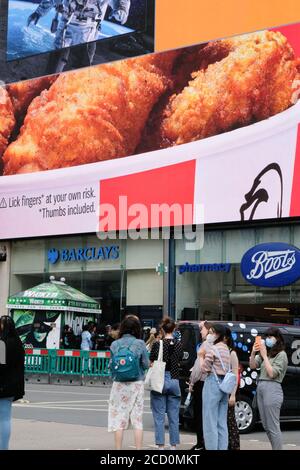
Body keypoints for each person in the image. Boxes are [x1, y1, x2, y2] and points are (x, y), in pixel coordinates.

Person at [27, 0, 131, 72]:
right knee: (54, 67)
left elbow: (122, 4)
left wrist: (121, 12)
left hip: (88, 31)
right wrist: (38, 13)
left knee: (80, 70)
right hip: (66, 27)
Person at [108, 315, 149, 450]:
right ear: (137, 328)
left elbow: (110, 365)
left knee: (118, 419)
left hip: (119, 384)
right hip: (136, 383)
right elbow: (145, 364)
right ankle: (138, 449)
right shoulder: (140, 343)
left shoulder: (115, 344)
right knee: (137, 420)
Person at [250, 327, 288, 450]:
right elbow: (253, 365)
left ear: (277, 339)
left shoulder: (281, 355)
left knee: (273, 426)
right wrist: (253, 352)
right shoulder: (267, 352)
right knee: (266, 426)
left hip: (272, 387)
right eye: (267, 337)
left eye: (271, 337)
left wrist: (265, 356)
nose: (268, 339)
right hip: (261, 387)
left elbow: (272, 374)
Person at [150, 317, 183, 450]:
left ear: (162, 330)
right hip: (174, 379)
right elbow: (180, 359)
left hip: (160, 379)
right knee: (174, 416)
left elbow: (151, 361)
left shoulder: (158, 344)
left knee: (159, 415)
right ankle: (173, 445)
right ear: (174, 329)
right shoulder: (179, 344)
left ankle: (160, 446)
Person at [200, 323, 231, 450]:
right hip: (224, 386)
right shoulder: (226, 349)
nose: (209, 335)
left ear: (218, 334)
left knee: (210, 421)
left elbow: (204, 369)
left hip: (212, 383)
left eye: (212, 332)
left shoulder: (213, 349)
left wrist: (200, 356)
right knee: (221, 422)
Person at [0, 316, 25, 450]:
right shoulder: (18, 343)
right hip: (12, 386)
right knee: (5, 418)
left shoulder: (2, 344)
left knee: (2, 419)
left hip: (2, 385)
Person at [188, 320, 212, 450]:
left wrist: (192, 382)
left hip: (201, 383)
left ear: (208, 330)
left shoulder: (205, 345)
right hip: (210, 383)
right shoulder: (217, 344)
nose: (200, 331)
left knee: (200, 415)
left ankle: (201, 443)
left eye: (202, 328)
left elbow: (198, 368)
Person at [224, 326, 240, 450]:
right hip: (219, 391)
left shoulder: (232, 353)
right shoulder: (219, 351)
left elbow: (235, 374)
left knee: (230, 421)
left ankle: (233, 446)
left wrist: (233, 395)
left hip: (228, 391)